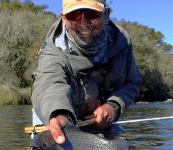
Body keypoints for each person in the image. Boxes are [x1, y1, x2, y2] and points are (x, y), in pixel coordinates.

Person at [31, 0, 141, 145]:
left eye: (91, 13)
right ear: (64, 18)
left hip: (105, 124)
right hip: (60, 122)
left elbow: (132, 83)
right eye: (74, 15)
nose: (83, 22)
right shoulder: (52, 51)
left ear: (105, 14)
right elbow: (49, 84)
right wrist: (59, 114)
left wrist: (113, 106)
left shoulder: (121, 41)